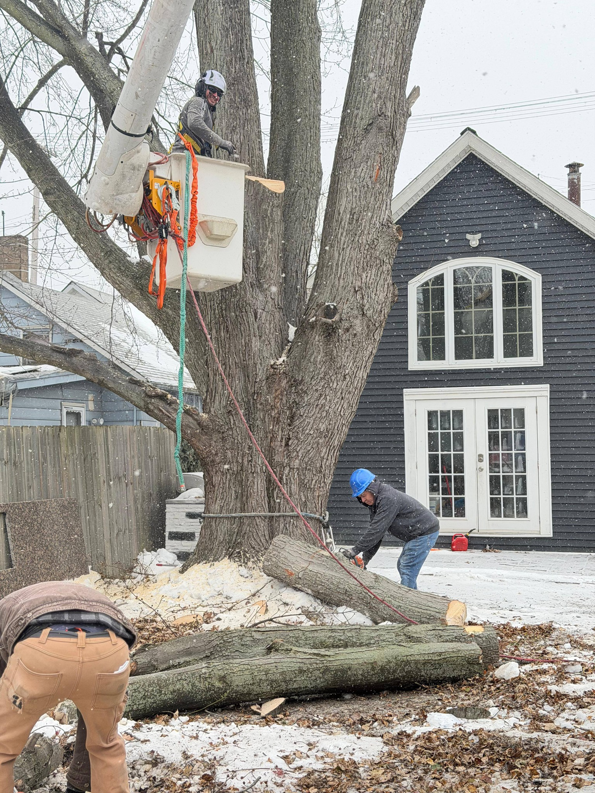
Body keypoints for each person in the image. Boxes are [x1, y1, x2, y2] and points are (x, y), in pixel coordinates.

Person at [0, 581, 136, 793]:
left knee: (2, 748)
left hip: (41, 650)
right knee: (105, 745)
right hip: (109, 650)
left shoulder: (6, 606)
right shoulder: (91, 596)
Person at [341, 469, 440, 589]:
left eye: (363, 495)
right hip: (416, 533)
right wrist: (364, 560)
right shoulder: (376, 503)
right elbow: (377, 535)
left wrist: (355, 550)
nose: (362, 500)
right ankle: (412, 596)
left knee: (407, 566)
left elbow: (377, 530)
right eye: (360, 497)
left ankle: (408, 602)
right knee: (403, 565)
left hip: (425, 532)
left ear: (371, 488)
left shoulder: (388, 498)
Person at [171, 69, 236, 157]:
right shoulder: (199, 101)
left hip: (192, 157)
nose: (216, 95)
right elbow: (194, 123)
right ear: (203, 87)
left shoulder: (205, 109)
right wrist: (221, 142)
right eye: (213, 89)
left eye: (219, 94)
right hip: (184, 157)